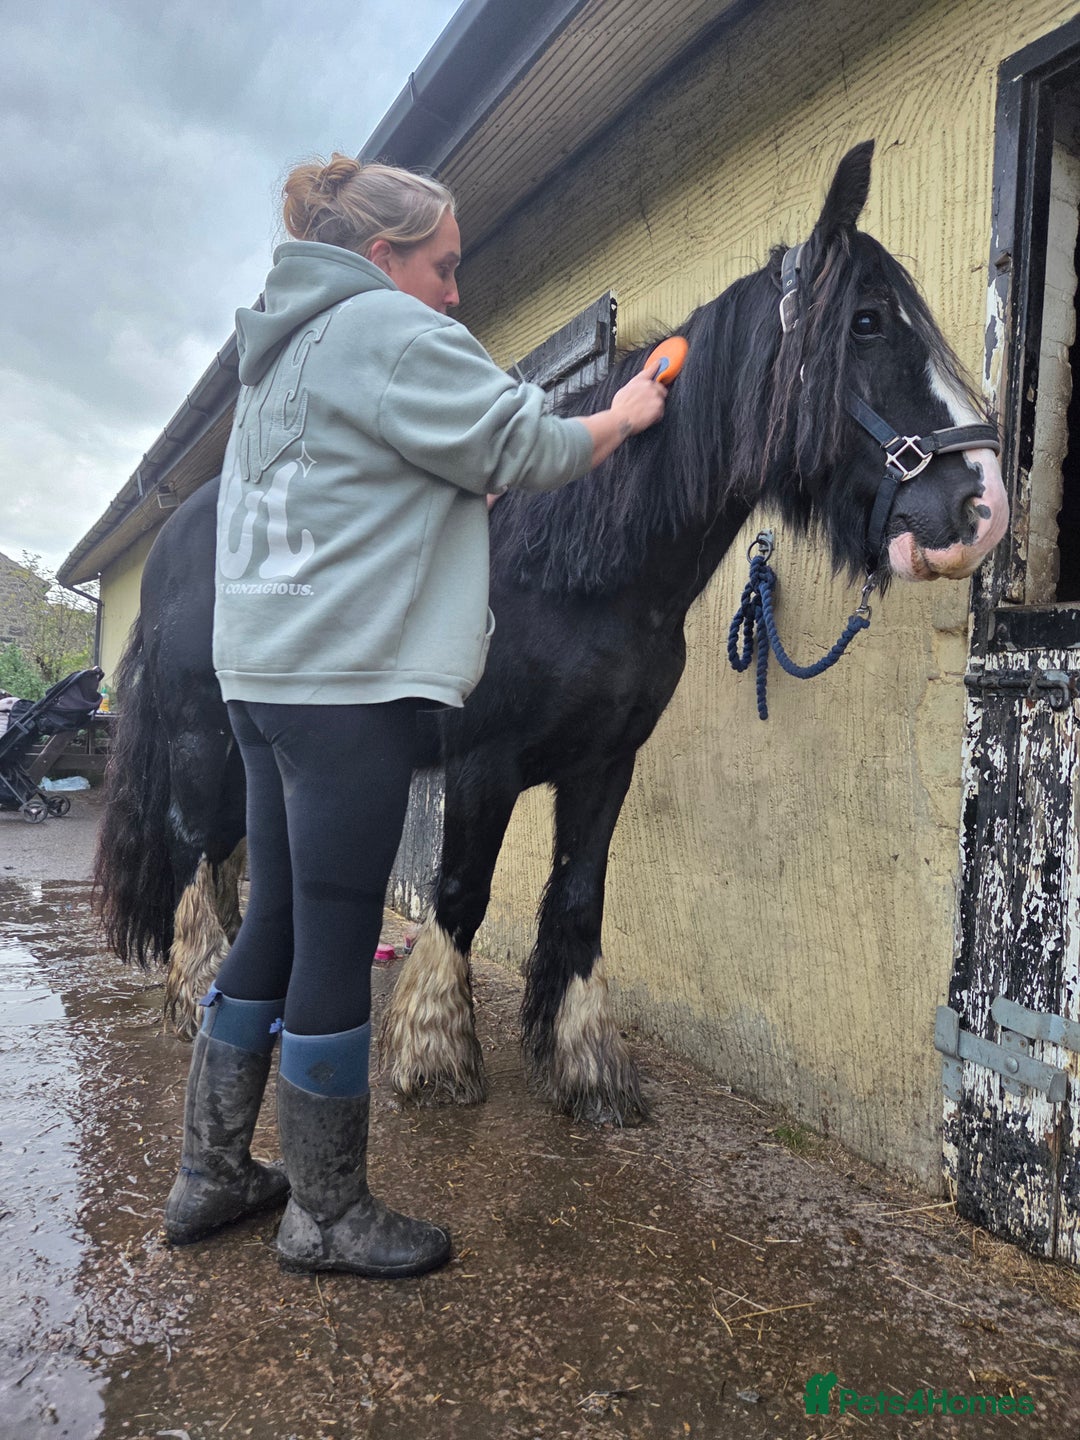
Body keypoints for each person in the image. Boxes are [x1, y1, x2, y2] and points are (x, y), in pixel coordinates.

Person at [163, 153, 667, 1277]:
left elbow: (358, 493)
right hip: (347, 688)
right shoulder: (387, 331)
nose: (454, 292)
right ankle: (327, 1213)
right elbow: (527, 442)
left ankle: (210, 1172)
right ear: (382, 258)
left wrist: (453, 489)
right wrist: (623, 415)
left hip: (265, 681)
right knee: (338, 942)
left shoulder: (283, 354)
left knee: (278, 923)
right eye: (442, 266)